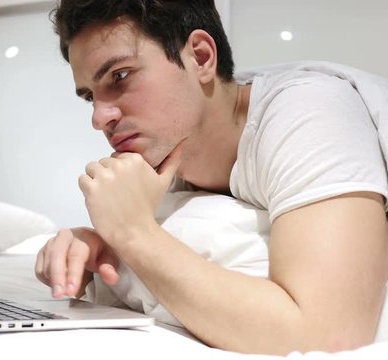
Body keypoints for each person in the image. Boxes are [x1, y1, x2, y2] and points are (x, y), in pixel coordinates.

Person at [34, 0, 388, 355]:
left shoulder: (310, 114)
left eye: (120, 76)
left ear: (201, 57)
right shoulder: (164, 148)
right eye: (89, 97)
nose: (99, 118)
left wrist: (134, 234)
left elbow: (328, 337)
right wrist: (99, 245)